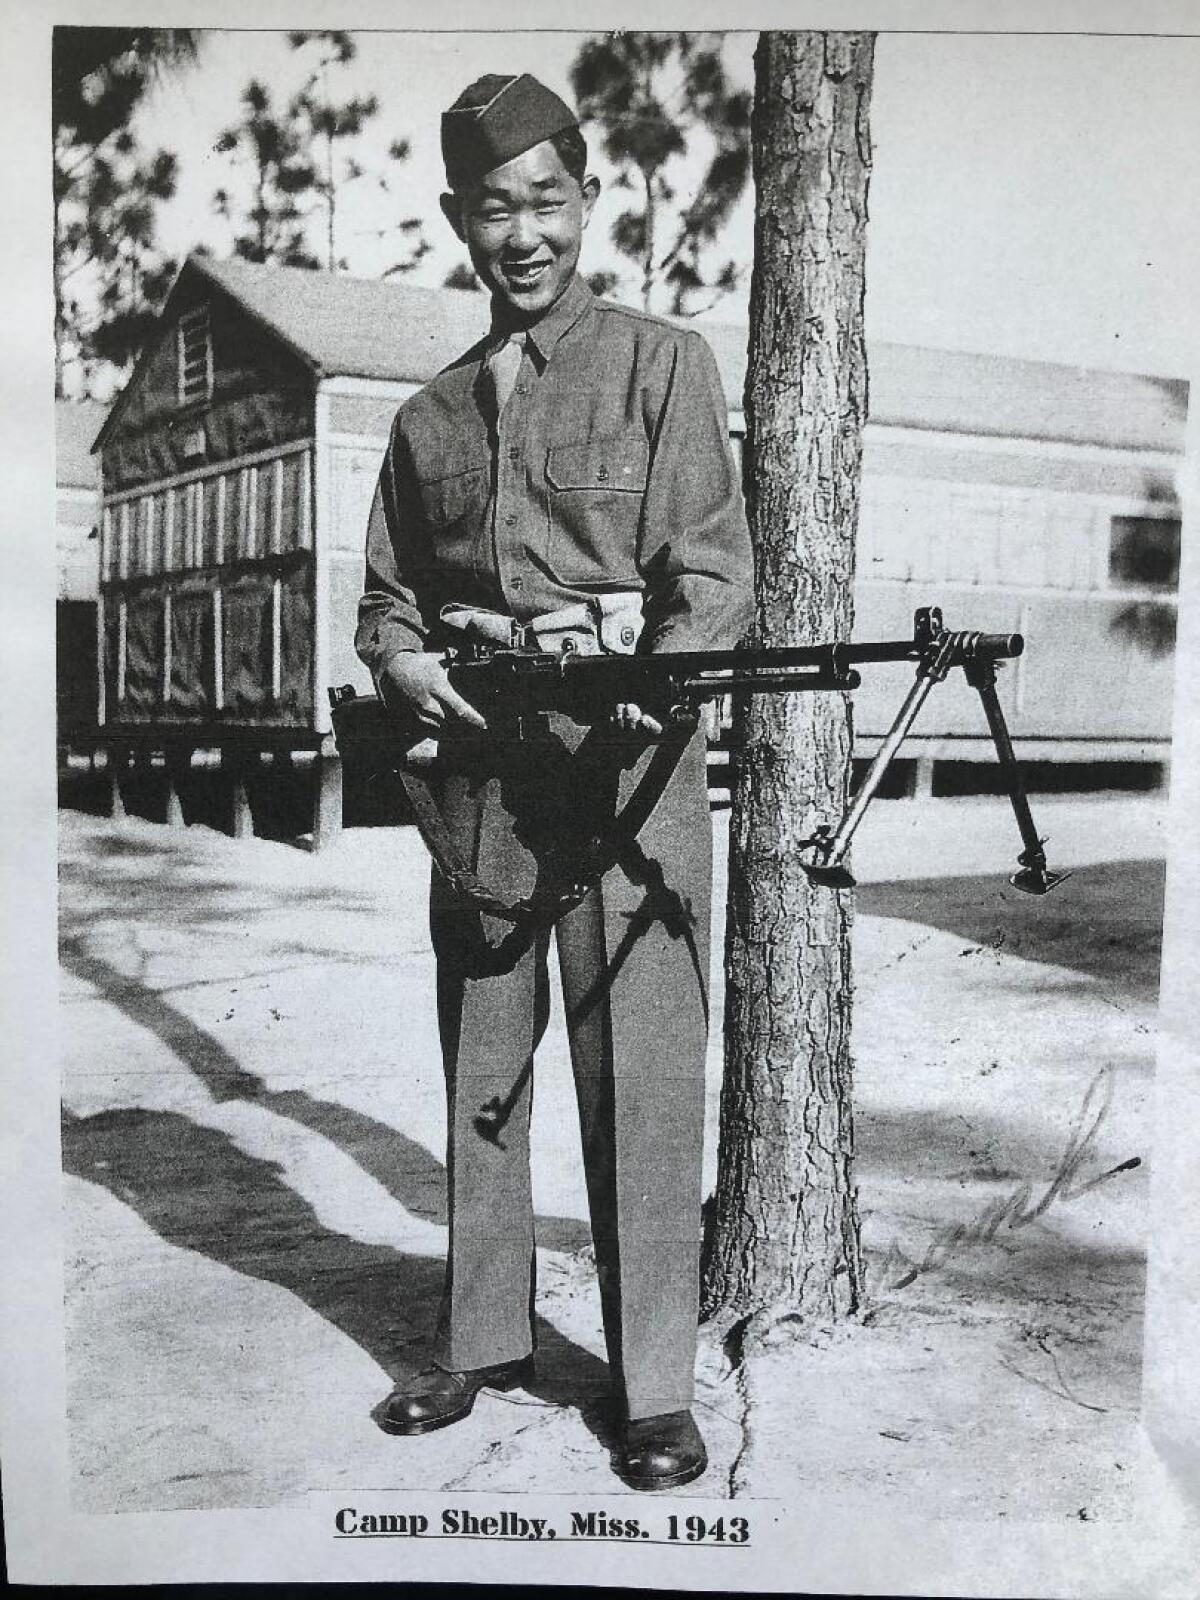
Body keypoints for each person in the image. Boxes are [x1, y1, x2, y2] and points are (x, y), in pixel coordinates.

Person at [356, 72, 754, 1491]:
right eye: (493, 207)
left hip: (625, 770)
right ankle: (482, 1335)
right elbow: (386, 605)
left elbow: (710, 579)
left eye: (547, 201)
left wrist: (638, 669)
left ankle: (651, 1387)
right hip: (476, 780)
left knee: (639, 1072)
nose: (522, 233)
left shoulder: (661, 368)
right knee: (484, 1064)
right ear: (460, 219)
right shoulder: (429, 418)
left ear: (584, 204)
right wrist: (407, 672)